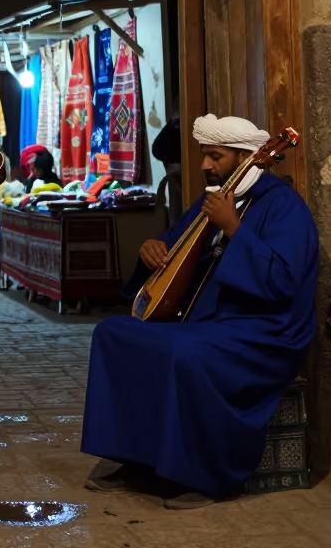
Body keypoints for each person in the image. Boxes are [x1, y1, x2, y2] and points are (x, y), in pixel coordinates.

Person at [81, 115, 318, 510]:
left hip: (264, 331)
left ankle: (205, 476)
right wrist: (153, 249)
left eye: (214, 156)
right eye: (205, 156)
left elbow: (283, 282)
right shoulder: (210, 202)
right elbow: (173, 250)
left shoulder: (284, 208)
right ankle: (137, 460)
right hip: (208, 323)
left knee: (185, 355)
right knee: (113, 335)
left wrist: (234, 229)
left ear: (247, 158)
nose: (205, 165)